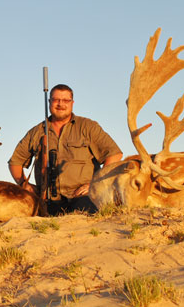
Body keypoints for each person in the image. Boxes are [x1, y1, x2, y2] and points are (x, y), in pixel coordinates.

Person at [8, 84, 122, 216]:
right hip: (47, 200)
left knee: (86, 217)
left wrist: (94, 184)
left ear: (72, 103)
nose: (60, 104)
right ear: (49, 102)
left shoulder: (88, 127)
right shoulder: (36, 132)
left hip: (83, 197)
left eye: (65, 100)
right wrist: (23, 183)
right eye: (56, 100)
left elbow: (114, 154)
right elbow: (15, 162)